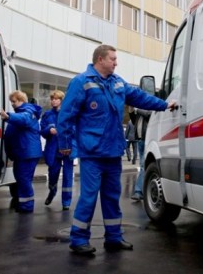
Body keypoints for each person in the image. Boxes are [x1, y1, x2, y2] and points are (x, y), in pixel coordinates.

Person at [57, 44, 176, 255]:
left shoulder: (117, 82)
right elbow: (66, 116)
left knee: (112, 196)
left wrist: (165, 105)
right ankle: (78, 239)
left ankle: (113, 237)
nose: (116, 62)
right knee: (89, 197)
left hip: (112, 152)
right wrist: (65, 144)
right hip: (92, 153)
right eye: (112, 58)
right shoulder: (81, 82)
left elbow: (141, 97)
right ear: (100, 59)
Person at [0, 90, 43, 213]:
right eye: (11, 101)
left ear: (21, 101)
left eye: (14, 101)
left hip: (27, 153)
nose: (12, 104)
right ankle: (23, 204)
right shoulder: (20, 112)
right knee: (22, 178)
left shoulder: (28, 111)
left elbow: (25, 119)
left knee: (23, 178)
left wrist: (8, 116)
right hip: (23, 153)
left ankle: (27, 206)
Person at [40, 90, 74, 210]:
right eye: (52, 99)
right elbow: (42, 131)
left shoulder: (69, 114)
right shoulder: (47, 115)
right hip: (53, 150)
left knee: (68, 176)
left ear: (61, 101)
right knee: (53, 174)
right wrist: (49, 129)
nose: (54, 101)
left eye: (56, 99)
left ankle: (66, 202)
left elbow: (75, 129)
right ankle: (52, 190)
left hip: (67, 148)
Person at [130, 107, 152, 201]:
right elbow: (134, 121)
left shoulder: (149, 108)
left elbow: (148, 114)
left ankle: (138, 192)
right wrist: (131, 110)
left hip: (147, 140)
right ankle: (145, 190)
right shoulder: (139, 112)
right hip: (140, 140)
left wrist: (137, 109)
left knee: (143, 166)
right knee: (143, 166)